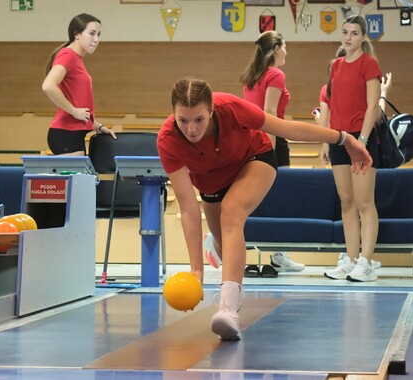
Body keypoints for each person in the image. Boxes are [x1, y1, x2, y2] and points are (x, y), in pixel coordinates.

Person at [157, 78, 372, 340]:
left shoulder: (232, 109)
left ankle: (227, 309)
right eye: (183, 120)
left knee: (231, 213)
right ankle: (233, 292)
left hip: (254, 159)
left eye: (199, 119)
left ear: (211, 110)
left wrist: (344, 138)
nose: (191, 129)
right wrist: (196, 270)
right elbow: (189, 208)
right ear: (173, 115)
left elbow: (290, 130)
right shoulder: (168, 140)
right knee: (224, 242)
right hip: (210, 181)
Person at [237, 30, 305, 277]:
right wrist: (273, 149)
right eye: (285, 47)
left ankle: (272, 252)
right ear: (276, 49)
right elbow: (269, 112)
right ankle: (278, 254)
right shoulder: (276, 74)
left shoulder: (250, 76)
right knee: (279, 195)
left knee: (253, 196)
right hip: (270, 138)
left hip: (251, 140)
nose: (286, 51)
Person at [321, 15, 382, 282]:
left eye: (354, 33)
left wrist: (363, 142)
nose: (348, 37)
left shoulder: (369, 64)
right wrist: (326, 140)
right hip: (339, 138)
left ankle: (367, 262)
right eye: (345, 32)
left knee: (364, 202)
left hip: (361, 138)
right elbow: (332, 106)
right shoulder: (334, 66)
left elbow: (372, 106)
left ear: (362, 37)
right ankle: (352, 259)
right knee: (346, 202)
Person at [42, 13, 116, 156]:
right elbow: (48, 85)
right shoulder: (68, 55)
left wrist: (99, 127)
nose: (96, 39)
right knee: (77, 178)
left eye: (98, 35)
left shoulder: (76, 59)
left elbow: (79, 107)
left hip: (73, 133)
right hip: (65, 134)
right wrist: (75, 111)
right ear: (76, 34)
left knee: (82, 178)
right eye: (91, 33)